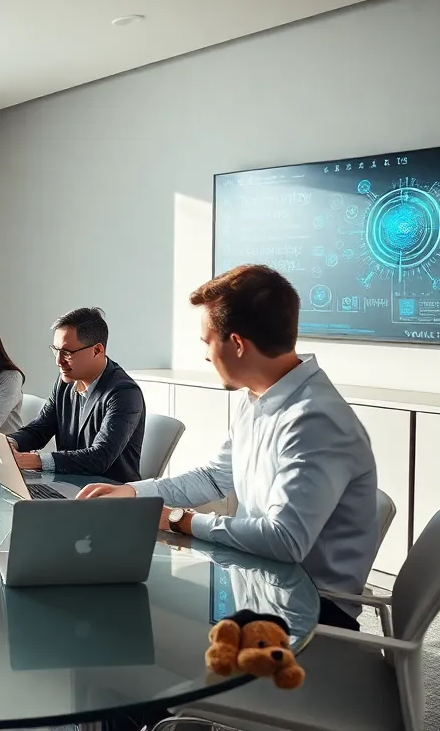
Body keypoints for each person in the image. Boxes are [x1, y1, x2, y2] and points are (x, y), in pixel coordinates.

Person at [78, 264, 378, 632]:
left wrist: (178, 519)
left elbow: (284, 541)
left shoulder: (315, 420)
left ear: (236, 344)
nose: (205, 355)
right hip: (259, 585)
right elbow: (216, 478)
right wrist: (133, 493)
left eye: (207, 341)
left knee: (148, 634)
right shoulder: (258, 397)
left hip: (308, 615)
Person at [4, 307, 146, 482]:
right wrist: (9, 443)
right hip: (67, 486)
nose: (58, 361)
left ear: (97, 350)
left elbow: (99, 457)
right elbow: (40, 429)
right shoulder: (65, 381)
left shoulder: (124, 393)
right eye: (56, 350)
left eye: (67, 353)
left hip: (108, 496)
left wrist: (35, 460)